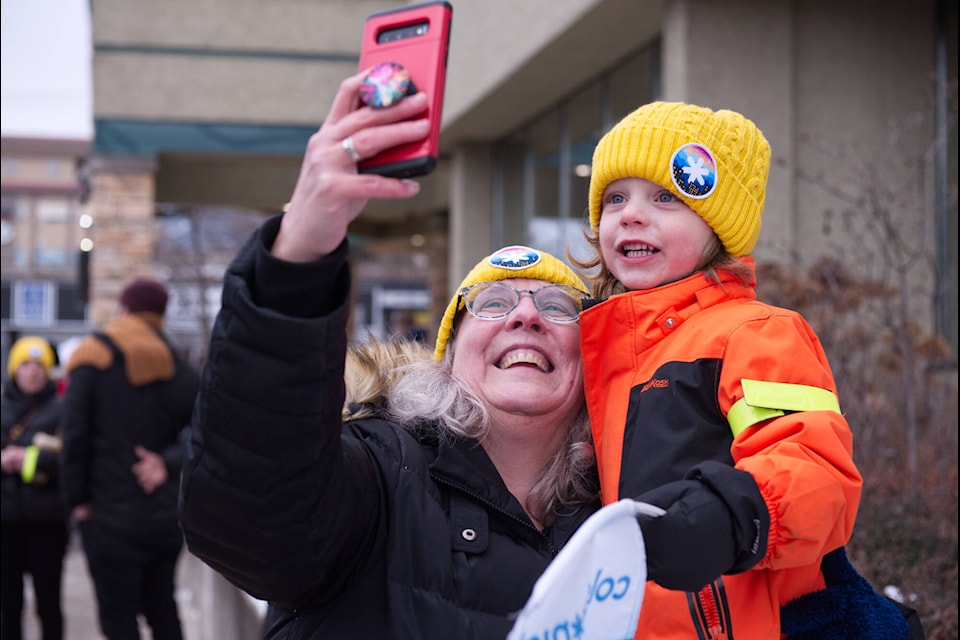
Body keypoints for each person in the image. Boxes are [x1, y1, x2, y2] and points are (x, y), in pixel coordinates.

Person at [178, 69, 600, 639]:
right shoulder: (378, 474)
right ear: (448, 360)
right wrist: (298, 260)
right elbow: (252, 516)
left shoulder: (622, 506)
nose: (525, 314)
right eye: (493, 303)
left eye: (557, 306)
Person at [575, 101, 909, 638]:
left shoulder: (754, 333)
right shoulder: (600, 352)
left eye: (666, 197)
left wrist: (737, 516)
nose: (631, 214)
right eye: (615, 198)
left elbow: (813, 465)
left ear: (719, 228)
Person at [60, 278, 200, 640]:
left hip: (107, 515)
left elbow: (73, 436)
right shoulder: (178, 367)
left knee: (118, 619)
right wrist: (166, 462)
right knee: (163, 611)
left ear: (124, 309)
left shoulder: (93, 357)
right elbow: (212, 433)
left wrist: (76, 501)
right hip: (163, 516)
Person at [1, 336, 69, 640]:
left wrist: (30, 460)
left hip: (48, 523)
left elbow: (72, 457)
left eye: (39, 365)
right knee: (8, 605)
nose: (32, 371)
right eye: (25, 365)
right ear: (14, 370)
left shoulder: (62, 410)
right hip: (5, 523)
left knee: (49, 604)